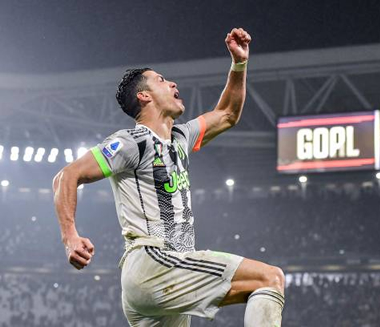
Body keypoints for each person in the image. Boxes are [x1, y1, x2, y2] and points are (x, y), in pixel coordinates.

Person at [53, 28, 285, 327]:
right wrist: (70, 236)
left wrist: (239, 64)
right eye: (161, 80)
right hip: (154, 261)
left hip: (166, 277)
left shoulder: (180, 137)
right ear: (144, 95)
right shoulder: (132, 141)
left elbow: (227, 113)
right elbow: (67, 176)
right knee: (269, 278)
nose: (172, 82)